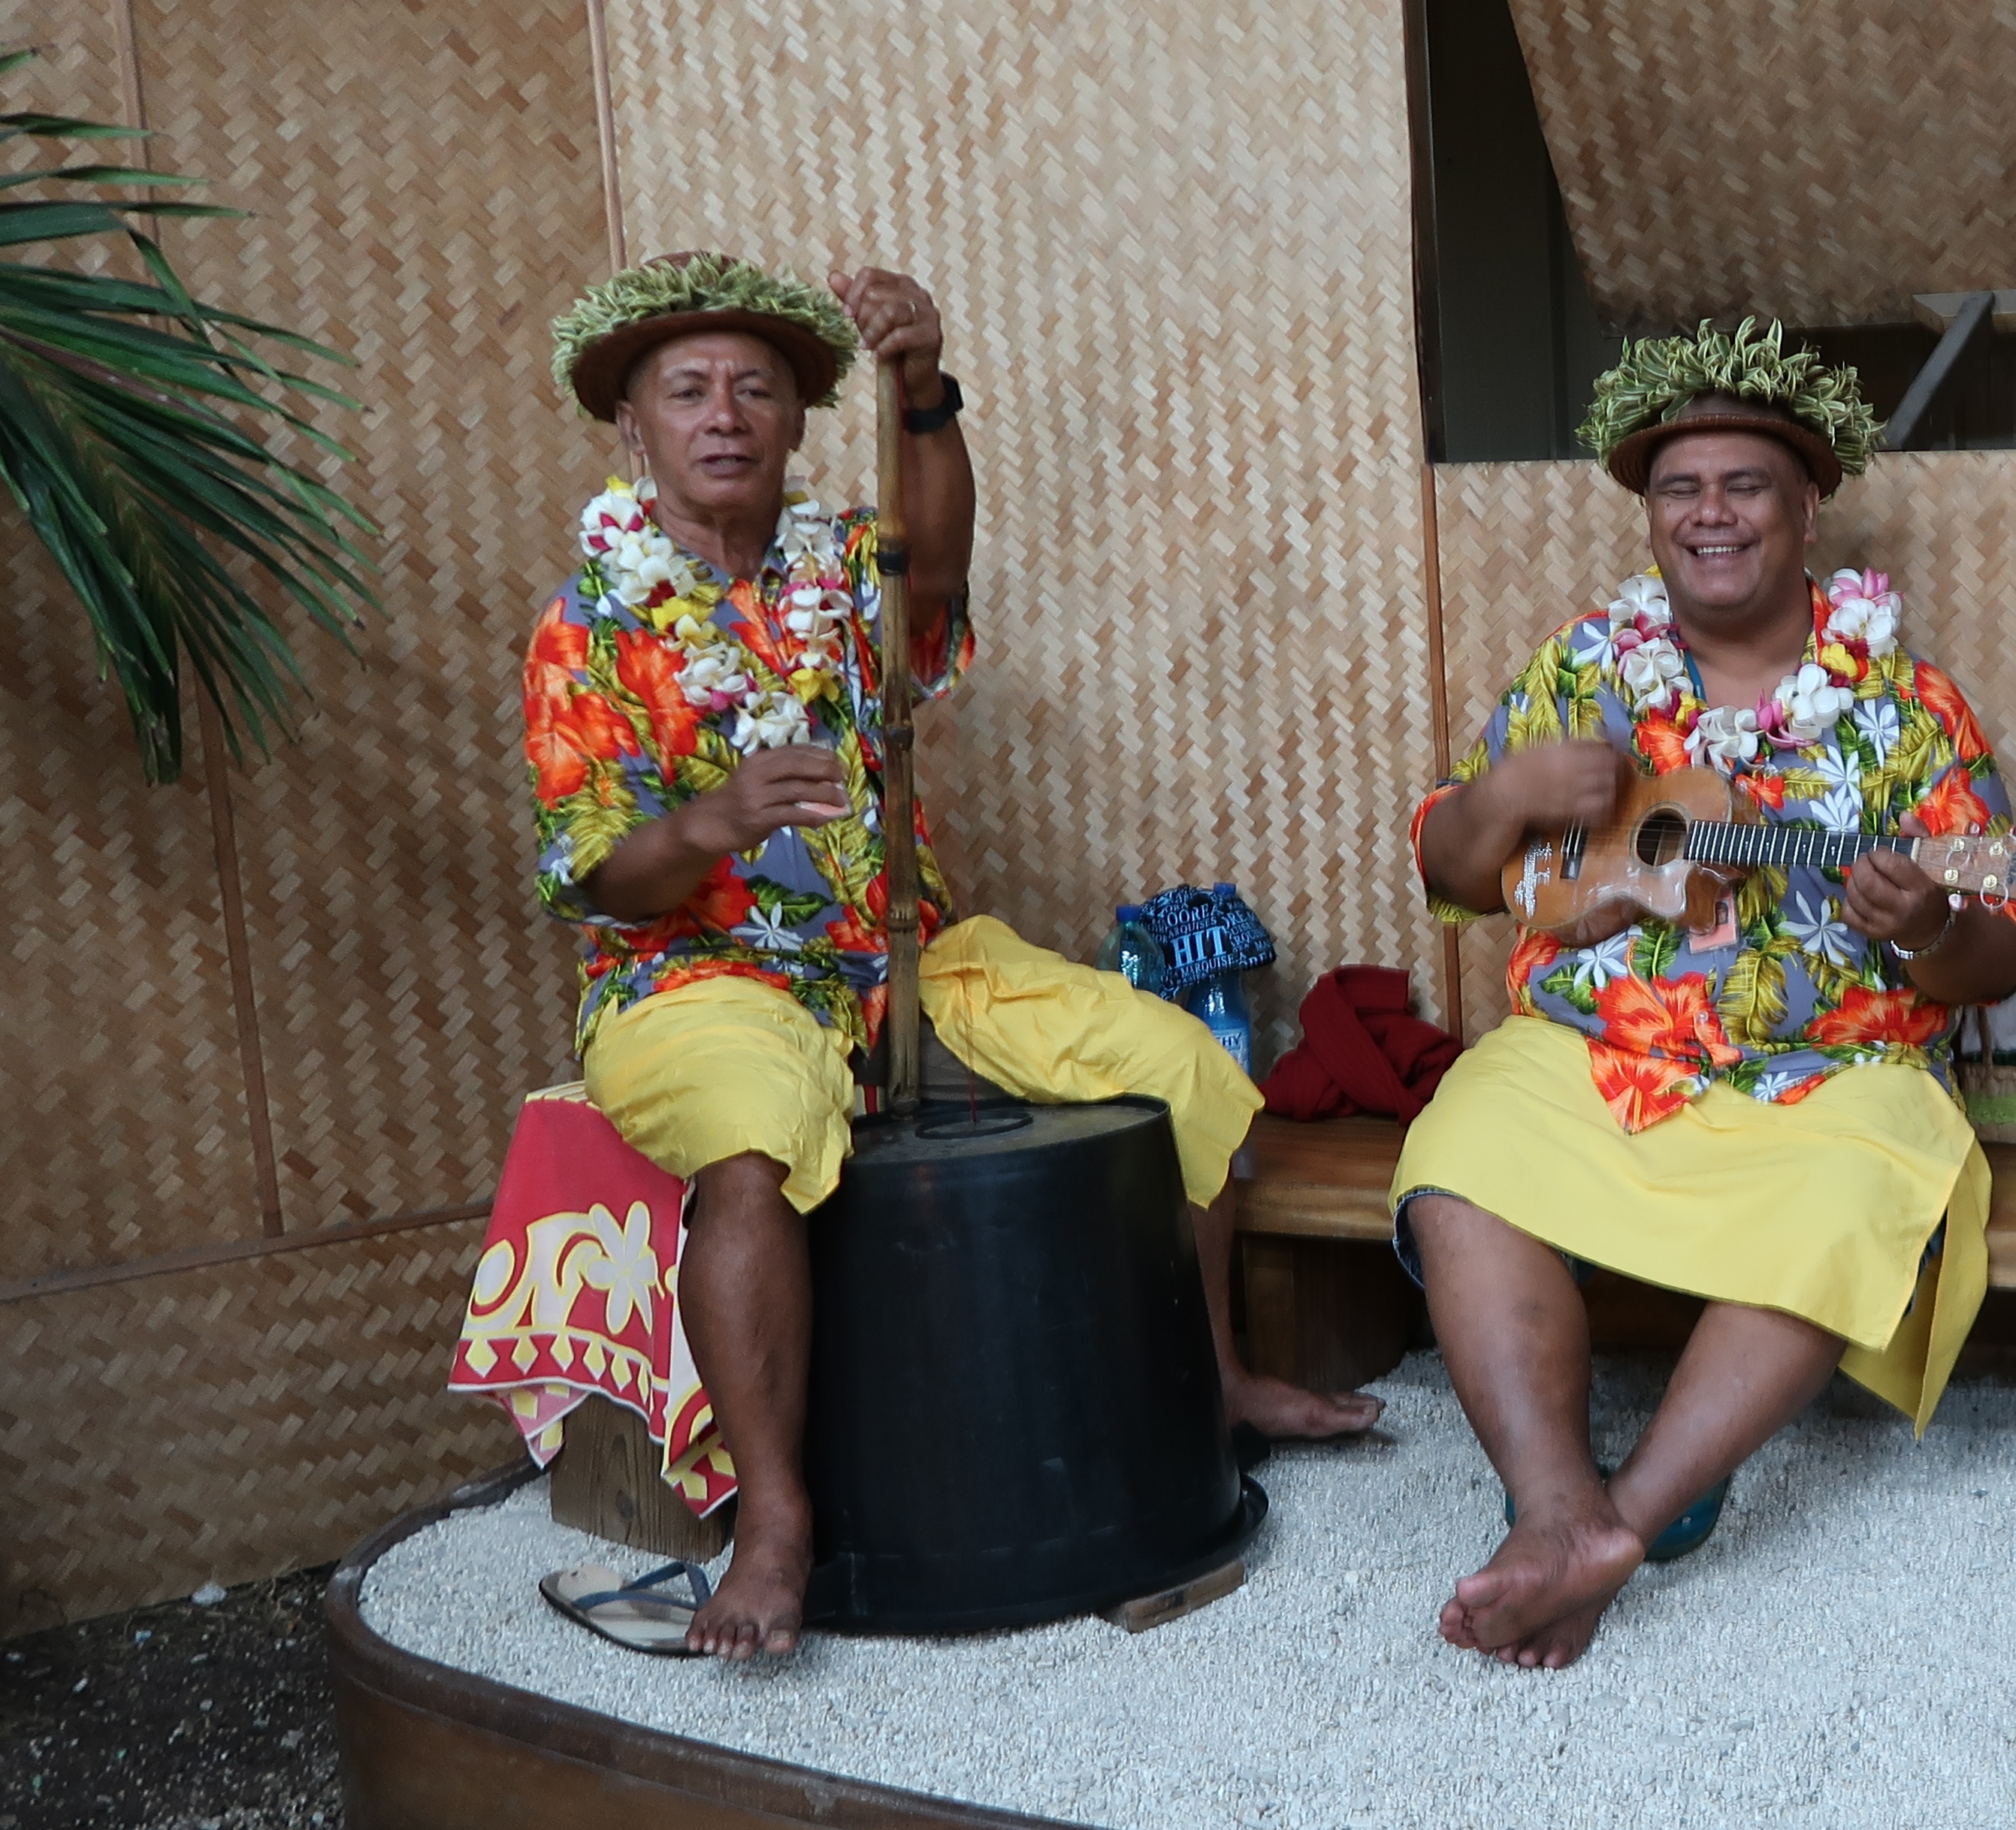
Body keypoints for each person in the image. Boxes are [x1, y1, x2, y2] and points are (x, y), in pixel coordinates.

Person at [523, 252, 1379, 1659]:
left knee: (1177, 1060)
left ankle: (1216, 1377)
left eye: (758, 390)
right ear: (634, 426)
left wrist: (922, 390)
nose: (725, 413)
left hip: (906, 958)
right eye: (688, 391)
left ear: (800, 425)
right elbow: (596, 875)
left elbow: (943, 565)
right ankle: (780, 1521)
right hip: (697, 977)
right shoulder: (590, 623)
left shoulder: (843, 568)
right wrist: (713, 822)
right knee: (752, 1142)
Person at [1397, 323, 2016, 1668]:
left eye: (1745, 485)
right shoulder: (1584, 668)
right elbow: (1455, 878)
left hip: (1823, 1079)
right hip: (1601, 1054)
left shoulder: (1910, 711)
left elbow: (2004, 944)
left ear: (1807, 505)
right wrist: (1504, 795)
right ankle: (1555, 1505)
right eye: (1680, 490)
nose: (1711, 515)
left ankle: (1621, 1520)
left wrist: (1929, 926)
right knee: (1460, 1148)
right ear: (1649, 513)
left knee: (1873, 1180)